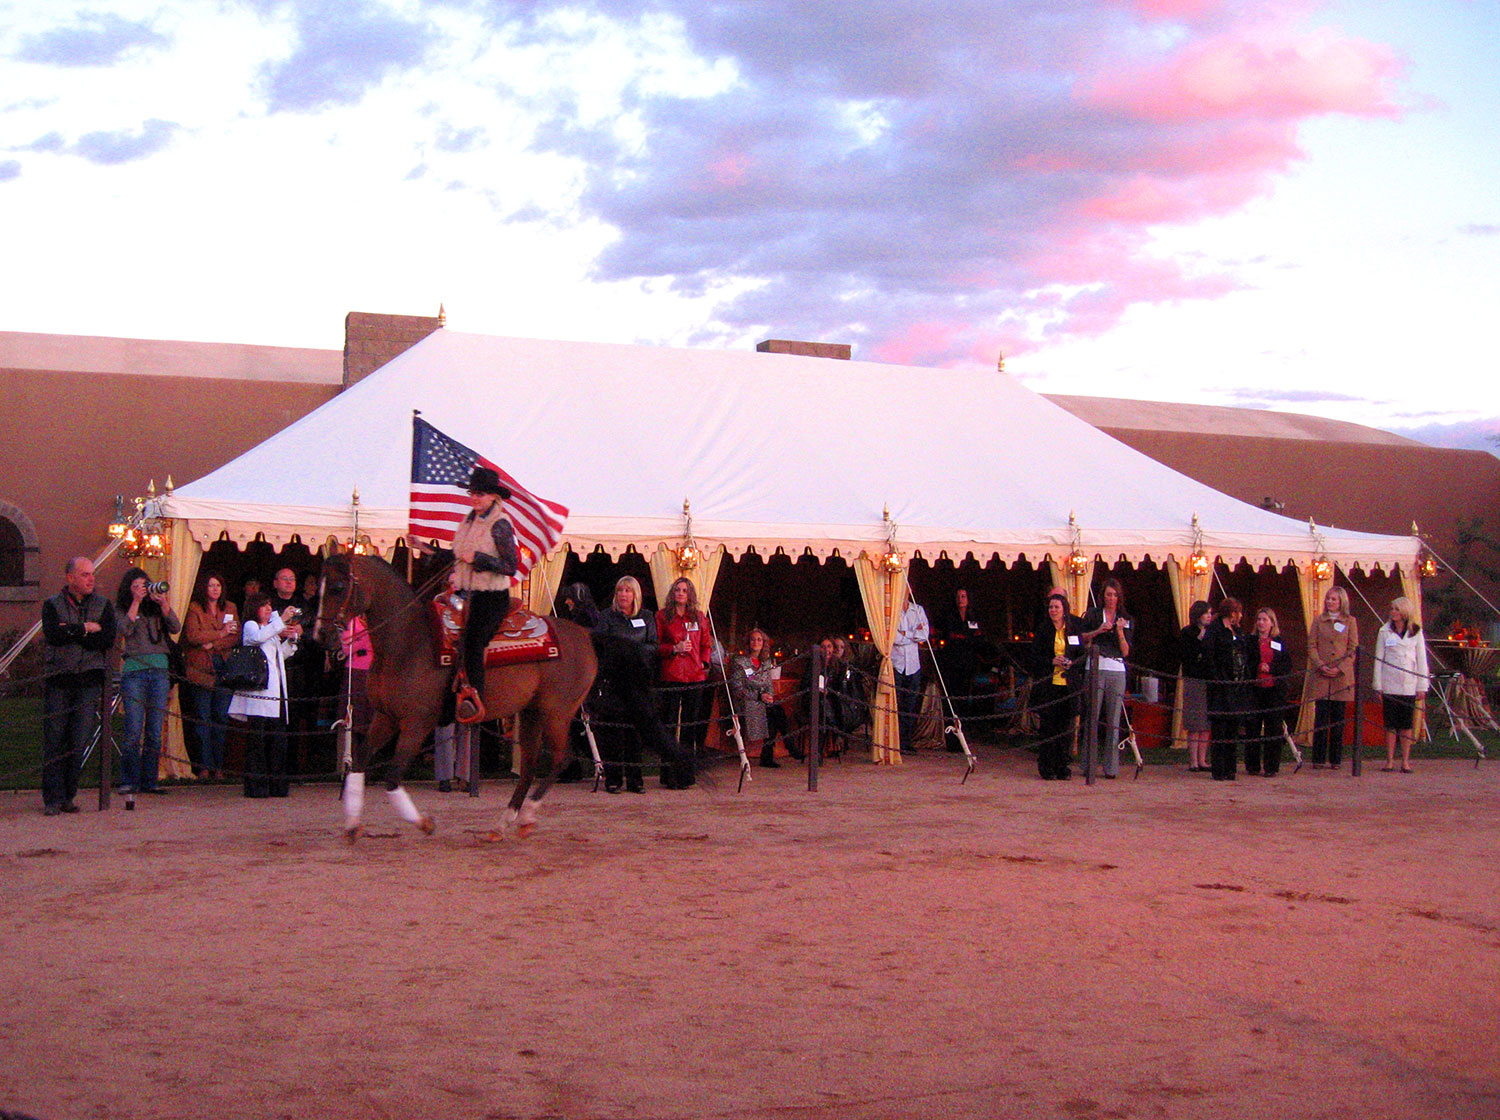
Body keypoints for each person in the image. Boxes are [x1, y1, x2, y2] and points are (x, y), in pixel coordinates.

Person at [419, 466, 518, 723]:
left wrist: (480, 559)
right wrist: (427, 549)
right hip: (465, 594)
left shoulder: (500, 524)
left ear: (494, 497)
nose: (475, 498)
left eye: (481, 494)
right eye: (473, 493)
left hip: (491, 597)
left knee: (473, 644)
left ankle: (475, 701)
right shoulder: (468, 522)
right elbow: (456, 556)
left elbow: (511, 566)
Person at [593, 575, 686, 791]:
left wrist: (635, 653)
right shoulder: (607, 616)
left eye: (627, 591)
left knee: (636, 734)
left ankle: (635, 780)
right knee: (613, 734)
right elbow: (599, 644)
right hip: (614, 683)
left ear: (635, 594)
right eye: (620, 591)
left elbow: (653, 645)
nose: (623, 594)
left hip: (639, 682)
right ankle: (614, 780)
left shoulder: (645, 617)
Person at [40, 556, 116, 815]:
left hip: (88, 682)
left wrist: (72, 632)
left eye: (92, 574)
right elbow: (53, 635)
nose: (91, 579)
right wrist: (84, 628)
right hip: (59, 680)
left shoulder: (103, 605)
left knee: (79, 740)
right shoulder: (52, 605)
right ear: (70, 578)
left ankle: (68, 795)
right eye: (85, 574)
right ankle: (52, 798)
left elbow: (106, 638)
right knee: (55, 739)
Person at [115, 567, 182, 795]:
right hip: (135, 672)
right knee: (133, 730)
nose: (142, 591)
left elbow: (175, 627)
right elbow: (124, 628)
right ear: (128, 590)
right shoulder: (123, 608)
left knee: (154, 730)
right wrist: (135, 602)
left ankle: (149, 780)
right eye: (136, 587)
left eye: (144, 586)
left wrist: (163, 603)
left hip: (160, 672)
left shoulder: (156, 609)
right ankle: (128, 780)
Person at [229, 593, 300, 797]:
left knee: (277, 741)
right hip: (259, 695)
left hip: (275, 692)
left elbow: (280, 655)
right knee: (257, 742)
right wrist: (282, 620)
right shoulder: (252, 626)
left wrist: (291, 640)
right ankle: (256, 787)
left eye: (270, 606)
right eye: (263, 606)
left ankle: (277, 785)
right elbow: (257, 638)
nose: (268, 609)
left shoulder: (271, 630)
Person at [181, 573, 240, 780]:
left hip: (223, 667)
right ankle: (204, 767)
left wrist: (214, 642)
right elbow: (193, 636)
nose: (215, 589)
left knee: (221, 718)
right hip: (201, 669)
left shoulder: (230, 607)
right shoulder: (195, 608)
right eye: (211, 585)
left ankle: (219, 767)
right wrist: (221, 633)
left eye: (218, 585)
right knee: (202, 719)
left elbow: (235, 636)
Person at [656, 577, 712, 772]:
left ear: (690, 595)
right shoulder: (663, 616)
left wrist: (704, 662)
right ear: (672, 593)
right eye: (678, 590)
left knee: (690, 725)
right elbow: (656, 645)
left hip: (695, 676)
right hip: (671, 675)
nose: (681, 593)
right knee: (669, 723)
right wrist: (673, 648)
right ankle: (668, 771)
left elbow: (706, 644)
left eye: (685, 590)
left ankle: (687, 771)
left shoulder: (699, 617)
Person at [268, 565, 318, 778]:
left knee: (295, 718)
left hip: (298, 669)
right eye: (284, 579)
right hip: (275, 668)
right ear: (276, 582)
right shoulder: (268, 604)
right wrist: (280, 629)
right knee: (275, 718)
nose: (289, 582)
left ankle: (293, 768)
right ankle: (272, 767)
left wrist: (301, 631)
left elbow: (316, 631)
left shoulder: (304, 605)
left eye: (292, 579)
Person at [1029, 592, 1085, 780]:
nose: (1053, 610)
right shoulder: (1043, 630)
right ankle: (1047, 767)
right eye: (1051, 607)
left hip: (1068, 686)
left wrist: (1071, 663)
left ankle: (1063, 766)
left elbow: (1081, 654)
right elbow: (1034, 657)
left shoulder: (1073, 629)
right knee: (1048, 728)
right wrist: (1051, 661)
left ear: (1064, 610)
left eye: (1057, 607)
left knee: (1065, 728)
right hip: (1049, 685)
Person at [1081, 578, 1133, 779]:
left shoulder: (1125, 618)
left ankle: (1111, 768)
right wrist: (1098, 631)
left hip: (1116, 669)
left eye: (1115, 595)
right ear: (1103, 596)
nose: (1111, 598)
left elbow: (1126, 651)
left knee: (1113, 719)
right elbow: (1082, 637)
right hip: (1095, 666)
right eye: (1108, 594)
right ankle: (1088, 764)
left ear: (1119, 597)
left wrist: (1119, 631)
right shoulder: (1093, 614)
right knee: (1092, 716)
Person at [1372, 596, 1430, 773]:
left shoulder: (1416, 631)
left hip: (1408, 684)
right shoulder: (1384, 631)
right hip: (1390, 683)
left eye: (1396, 609)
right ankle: (1389, 760)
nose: (1393, 612)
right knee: (1390, 724)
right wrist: (1378, 684)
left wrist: (1422, 685)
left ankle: (1405, 761)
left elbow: (1421, 659)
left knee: (1406, 725)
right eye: (1392, 609)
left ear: (1404, 612)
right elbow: (1378, 659)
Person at [1306, 586, 1359, 770]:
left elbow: (1353, 649)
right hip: (1322, 675)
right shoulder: (1319, 620)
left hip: (1340, 677)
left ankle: (1335, 759)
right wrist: (1320, 664)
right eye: (1328, 599)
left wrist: (1340, 668)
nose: (1330, 602)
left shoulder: (1350, 621)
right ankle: (1318, 758)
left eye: (1334, 599)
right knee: (1321, 718)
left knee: (1338, 719)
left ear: (1341, 601)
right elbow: (1311, 645)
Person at [1205, 597, 1252, 781]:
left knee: (1232, 729)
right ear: (1231, 612)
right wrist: (1218, 679)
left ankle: (1231, 768)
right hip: (1220, 687)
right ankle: (1219, 769)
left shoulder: (1237, 631)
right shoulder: (1215, 630)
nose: (1239, 616)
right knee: (1220, 729)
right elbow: (1210, 656)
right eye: (1238, 612)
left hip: (1236, 687)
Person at [935, 589, 986, 752]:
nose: (961, 599)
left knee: (964, 701)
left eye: (963, 596)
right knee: (952, 701)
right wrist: (962, 638)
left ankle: (964, 738)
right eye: (958, 596)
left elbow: (978, 638)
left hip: (968, 664)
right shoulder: (949, 616)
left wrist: (965, 638)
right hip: (951, 664)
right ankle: (952, 740)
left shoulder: (973, 616)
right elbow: (950, 636)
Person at [1245, 608, 1293, 776]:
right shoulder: (1250, 641)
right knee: (1253, 728)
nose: (1261, 623)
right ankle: (1252, 765)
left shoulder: (1279, 642)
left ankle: (1271, 767)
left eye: (1265, 619)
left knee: (1274, 728)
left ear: (1272, 622)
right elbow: (1245, 662)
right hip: (1255, 690)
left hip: (1274, 691)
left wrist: (1271, 668)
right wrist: (1257, 666)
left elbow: (1287, 665)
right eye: (1259, 619)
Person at [729, 628, 779, 767]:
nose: (756, 642)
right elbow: (737, 689)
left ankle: (770, 753)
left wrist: (769, 696)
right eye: (753, 639)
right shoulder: (740, 661)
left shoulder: (766, 662)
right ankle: (769, 754)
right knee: (772, 713)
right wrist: (758, 696)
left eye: (759, 639)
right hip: (747, 701)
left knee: (777, 712)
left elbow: (768, 684)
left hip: (762, 700)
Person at [1177, 601, 1214, 772]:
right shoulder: (1187, 632)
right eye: (1206, 613)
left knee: (1206, 723)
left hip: (1209, 679)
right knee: (1194, 723)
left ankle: (1202, 759)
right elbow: (1185, 656)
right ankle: (1192, 760)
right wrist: (1199, 639)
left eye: (1210, 613)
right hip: (1193, 679)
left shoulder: (1212, 633)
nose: (1209, 616)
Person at [892, 597, 929, 754]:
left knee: (910, 705)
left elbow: (925, 634)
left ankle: (906, 742)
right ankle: (894, 741)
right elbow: (894, 637)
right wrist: (912, 634)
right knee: (896, 704)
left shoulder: (918, 610)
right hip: (896, 663)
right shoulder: (892, 610)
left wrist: (905, 633)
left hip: (913, 664)